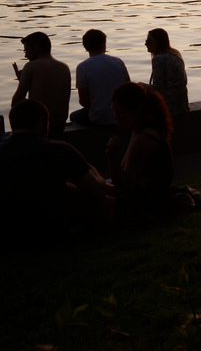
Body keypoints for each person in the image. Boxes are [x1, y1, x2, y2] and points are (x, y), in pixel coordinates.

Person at [0, 99, 113, 247]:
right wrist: (91, 169)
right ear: (41, 122)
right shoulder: (60, 150)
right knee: (108, 202)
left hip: (8, 236)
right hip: (50, 234)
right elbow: (97, 192)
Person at [106, 82, 174, 220]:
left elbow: (123, 187)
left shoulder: (143, 139)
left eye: (121, 113)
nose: (115, 117)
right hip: (146, 200)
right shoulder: (142, 130)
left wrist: (112, 158)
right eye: (114, 111)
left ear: (137, 110)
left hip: (142, 207)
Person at [11, 31, 72, 136]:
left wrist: (22, 83)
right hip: (60, 125)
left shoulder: (31, 66)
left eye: (26, 50)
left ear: (37, 47)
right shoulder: (64, 67)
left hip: (39, 128)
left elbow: (16, 101)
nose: (25, 55)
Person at [70, 29, 131, 127]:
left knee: (73, 116)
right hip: (122, 114)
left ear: (85, 47)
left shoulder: (82, 67)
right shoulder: (118, 62)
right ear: (104, 44)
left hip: (99, 118)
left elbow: (84, 101)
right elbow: (129, 88)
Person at [145, 28, 189, 114]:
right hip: (182, 106)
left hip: (170, 109)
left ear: (158, 43)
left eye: (149, 41)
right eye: (146, 41)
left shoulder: (159, 59)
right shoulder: (175, 54)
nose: (145, 44)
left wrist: (143, 86)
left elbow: (158, 88)